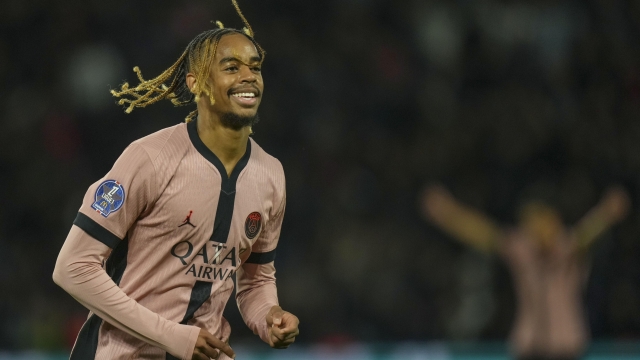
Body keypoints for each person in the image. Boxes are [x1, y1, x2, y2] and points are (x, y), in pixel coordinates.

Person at [52, 1, 299, 359]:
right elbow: (73, 268)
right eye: (231, 67)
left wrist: (271, 317)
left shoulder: (271, 174)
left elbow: (256, 280)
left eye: (255, 68)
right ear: (196, 83)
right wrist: (172, 336)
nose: (249, 76)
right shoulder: (150, 158)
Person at [421, 184, 630, 360]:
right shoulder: (521, 250)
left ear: (555, 222)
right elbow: (483, 233)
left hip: (567, 348)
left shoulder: (568, 247)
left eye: (543, 222)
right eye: (531, 224)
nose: (538, 230)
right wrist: (448, 213)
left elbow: (587, 233)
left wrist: (607, 213)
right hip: (528, 348)